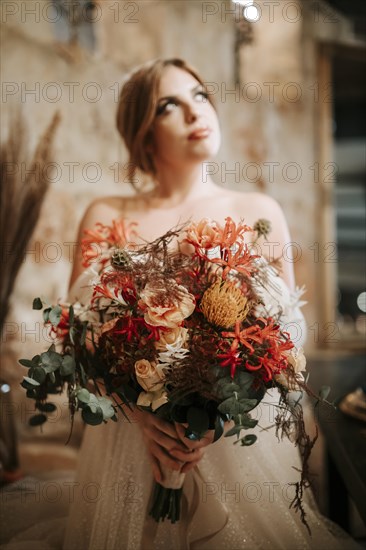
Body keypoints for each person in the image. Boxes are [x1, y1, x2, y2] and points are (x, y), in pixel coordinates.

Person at [1, 58, 360, 550]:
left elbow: (286, 339)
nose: (195, 112)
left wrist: (220, 418)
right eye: (169, 104)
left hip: (239, 450)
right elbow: (79, 338)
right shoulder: (107, 216)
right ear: (144, 134)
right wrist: (141, 417)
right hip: (130, 449)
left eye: (199, 95)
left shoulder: (259, 213)